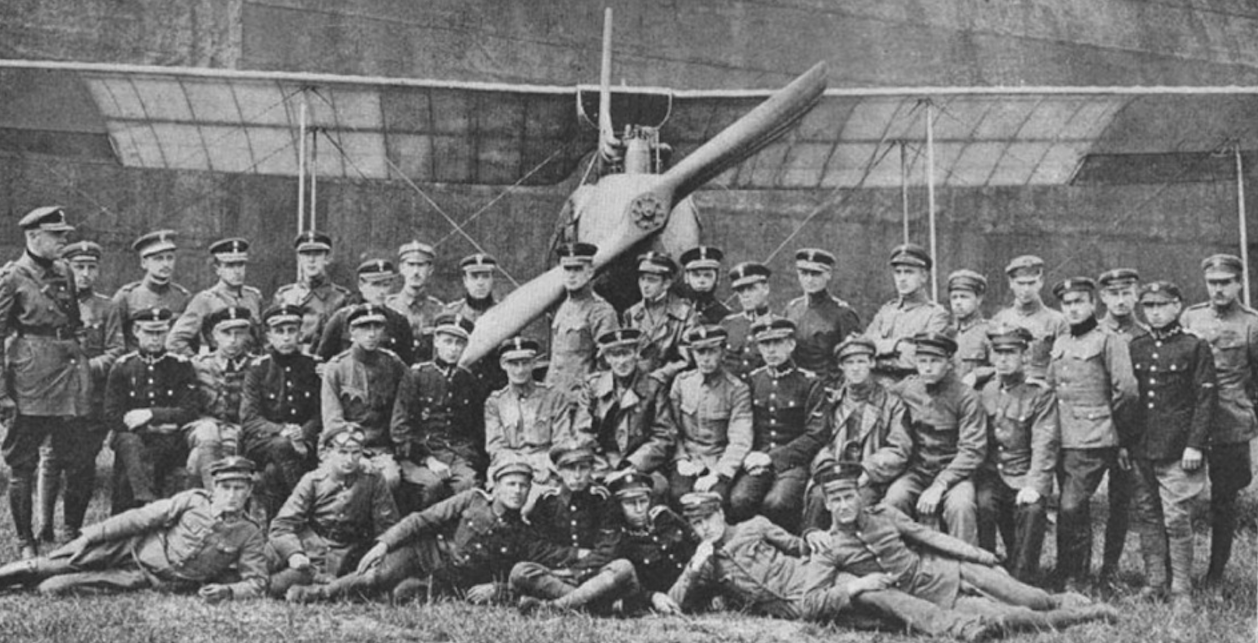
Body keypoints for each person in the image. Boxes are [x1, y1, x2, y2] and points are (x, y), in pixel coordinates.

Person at [806, 463, 1119, 639]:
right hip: (932, 597)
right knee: (1013, 617)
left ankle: (1056, 600)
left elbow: (930, 537)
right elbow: (810, 603)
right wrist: (855, 586)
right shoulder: (827, 547)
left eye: (849, 496)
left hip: (946, 569)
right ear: (827, 504)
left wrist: (981, 557)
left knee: (1030, 597)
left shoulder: (884, 514)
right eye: (836, 500)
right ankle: (1083, 614)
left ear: (859, 495)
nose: (844, 506)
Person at [286, 460, 587, 603]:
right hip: (424, 553)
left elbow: (544, 562)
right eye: (511, 484)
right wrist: (384, 544)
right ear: (496, 486)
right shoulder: (472, 499)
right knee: (374, 575)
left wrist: (498, 591)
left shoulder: (523, 532)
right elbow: (423, 519)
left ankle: (369, 593)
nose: (518, 491)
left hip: (450, 582)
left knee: (402, 595)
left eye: (523, 485)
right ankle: (318, 593)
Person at [0, 457, 265, 599]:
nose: (231, 495)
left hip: (147, 579)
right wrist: (91, 535)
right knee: (48, 565)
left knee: (53, 588)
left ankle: (24, 586)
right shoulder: (193, 500)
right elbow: (141, 518)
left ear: (249, 491)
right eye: (225, 487)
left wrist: (229, 591)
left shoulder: (249, 532)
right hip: (128, 549)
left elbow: (257, 581)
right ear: (214, 487)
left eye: (239, 488)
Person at [0, 206, 93, 557]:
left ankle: (71, 533)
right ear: (33, 237)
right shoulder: (12, 277)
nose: (63, 241)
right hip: (31, 380)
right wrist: (2, 393)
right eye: (56, 236)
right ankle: (27, 541)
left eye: (64, 235)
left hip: (69, 376)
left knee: (79, 459)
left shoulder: (66, 270)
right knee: (23, 464)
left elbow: (73, 323)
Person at [1128, 281, 1217, 607]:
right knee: (1148, 517)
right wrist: (1127, 443)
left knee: (1177, 518)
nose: (1154, 312)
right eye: (1149, 306)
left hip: (1179, 450)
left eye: (1161, 305)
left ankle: (1181, 589)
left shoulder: (1194, 347)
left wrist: (1196, 445)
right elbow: (1130, 399)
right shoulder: (1136, 346)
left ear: (1177, 306)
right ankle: (1155, 583)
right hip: (1142, 447)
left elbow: (1206, 400)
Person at [1046, 277, 1137, 591]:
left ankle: (1075, 578)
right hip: (1063, 438)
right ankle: (1068, 572)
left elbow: (1126, 391)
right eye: (1067, 303)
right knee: (1070, 509)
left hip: (1094, 439)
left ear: (1093, 304)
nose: (1072, 309)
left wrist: (1118, 435)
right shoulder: (1060, 342)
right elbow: (1050, 389)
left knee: (1071, 506)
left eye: (1079, 302)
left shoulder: (1108, 339)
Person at [37, 240, 124, 543]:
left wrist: (84, 370)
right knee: (50, 456)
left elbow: (116, 350)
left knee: (83, 462)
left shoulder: (107, 306)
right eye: (78, 267)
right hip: (54, 394)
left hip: (91, 398)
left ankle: (71, 527)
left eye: (91, 267)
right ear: (65, 268)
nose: (85, 274)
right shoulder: (49, 301)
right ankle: (43, 524)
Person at [1180, 253, 1258, 586]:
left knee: (1224, 500)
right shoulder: (1191, 317)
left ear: (1239, 283)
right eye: (1213, 283)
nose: (1219, 290)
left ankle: (1216, 573)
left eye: (1226, 283)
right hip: (1193, 423)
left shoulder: (1252, 323)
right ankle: (1179, 571)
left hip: (1229, 422)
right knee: (1181, 498)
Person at [266, 427, 399, 598]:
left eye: (355, 452)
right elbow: (281, 524)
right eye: (342, 452)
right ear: (329, 452)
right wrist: (294, 554)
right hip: (313, 551)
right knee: (275, 586)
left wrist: (379, 550)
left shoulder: (373, 479)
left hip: (353, 554)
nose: (349, 459)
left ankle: (329, 586)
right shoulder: (313, 480)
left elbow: (388, 524)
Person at [884, 333, 986, 543]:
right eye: (922, 361)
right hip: (917, 471)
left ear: (949, 363)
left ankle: (965, 566)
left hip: (955, 474)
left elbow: (972, 450)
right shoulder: (907, 388)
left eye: (935, 361)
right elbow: (881, 402)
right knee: (893, 500)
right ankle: (901, 564)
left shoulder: (966, 397)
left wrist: (940, 484)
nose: (928, 368)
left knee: (961, 507)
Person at [802, 336, 911, 532]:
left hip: (870, 480)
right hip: (833, 474)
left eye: (861, 361)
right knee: (818, 497)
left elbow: (899, 449)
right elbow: (817, 440)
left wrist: (867, 471)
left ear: (872, 363)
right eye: (849, 362)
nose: (855, 368)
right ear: (841, 366)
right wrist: (826, 467)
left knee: (859, 503)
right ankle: (811, 551)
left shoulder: (892, 404)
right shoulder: (831, 401)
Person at [975, 325, 1057, 583]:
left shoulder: (1039, 393)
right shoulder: (986, 390)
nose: (1003, 359)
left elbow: (1045, 442)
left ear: (1025, 356)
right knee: (982, 504)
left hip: (1023, 474)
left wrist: (1034, 484)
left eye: (1011, 353)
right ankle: (987, 574)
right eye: (998, 353)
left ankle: (1023, 578)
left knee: (1032, 510)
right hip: (991, 474)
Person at [728, 317, 828, 532]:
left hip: (794, 462)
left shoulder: (809, 382)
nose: (771, 350)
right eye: (765, 344)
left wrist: (772, 458)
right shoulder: (754, 380)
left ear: (791, 345)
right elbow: (746, 424)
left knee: (777, 503)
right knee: (740, 499)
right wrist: (753, 455)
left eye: (777, 343)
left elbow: (816, 434)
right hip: (757, 458)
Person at [512, 444, 636, 614]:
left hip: (594, 575)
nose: (577, 475)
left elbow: (609, 549)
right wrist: (574, 554)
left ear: (592, 469)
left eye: (583, 468)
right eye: (570, 468)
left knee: (623, 567)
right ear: (559, 471)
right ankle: (599, 606)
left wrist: (577, 571)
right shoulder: (548, 501)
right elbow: (536, 548)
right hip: (558, 575)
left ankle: (553, 607)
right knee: (520, 571)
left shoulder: (603, 499)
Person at [104, 307, 200, 513]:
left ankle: (134, 514)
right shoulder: (122, 366)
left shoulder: (181, 366)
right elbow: (112, 415)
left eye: (160, 333)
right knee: (130, 444)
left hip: (169, 440)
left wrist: (151, 414)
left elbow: (190, 410)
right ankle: (147, 503)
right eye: (149, 332)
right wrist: (152, 429)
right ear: (136, 332)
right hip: (133, 436)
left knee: (135, 458)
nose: (156, 339)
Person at [391, 313, 483, 512]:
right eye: (448, 341)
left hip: (456, 454)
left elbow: (474, 429)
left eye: (459, 343)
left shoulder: (467, 379)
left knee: (468, 484)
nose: (453, 348)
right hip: (417, 455)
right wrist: (427, 459)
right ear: (436, 341)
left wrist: (468, 458)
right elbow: (400, 428)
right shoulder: (416, 375)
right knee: (432, 485)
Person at [240, 304, 322, 521]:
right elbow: (250, 418)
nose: (286, 338)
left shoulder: (313, 367)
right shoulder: (258, 369)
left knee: (272, 473)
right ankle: (307, 514)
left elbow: (320, 413)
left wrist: (303, 434)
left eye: (291, 331)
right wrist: (284, 431)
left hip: (304, 442)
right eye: (279, 331)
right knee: (281, 446)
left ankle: (277, 527)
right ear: (269, 336)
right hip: (263, 443)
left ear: (301, 334)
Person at [1094, 267, 1147, 585]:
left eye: (1127, 292)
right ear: (1102, 297)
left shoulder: (1145, 334)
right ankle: (1077, 567)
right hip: (1098, 430)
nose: (1121, 300)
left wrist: (1126, 439)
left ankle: (1110, 568)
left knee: (1123, 500)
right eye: (1113, 293)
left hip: (1136, 433)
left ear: (1136, 295)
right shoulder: (1095, 334)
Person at [570, 328, 675, 487]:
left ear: (636, 353)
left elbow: (664, 436)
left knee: (655, 488)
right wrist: (602, 466)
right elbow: (582, 431)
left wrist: (630, 466)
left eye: (626, 353)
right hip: (600, 462)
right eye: (614, 355)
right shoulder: (594, 386)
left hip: (641, 464)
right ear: (606, 358)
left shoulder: (654, 387)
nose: (621, 361)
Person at [321, 304, 410, 491]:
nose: (371, 334)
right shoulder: (336, 368)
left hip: (380, 448)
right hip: (341, 446)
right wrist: (356, 456)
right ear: (352, 331)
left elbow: (401, 411)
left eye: (377, 327)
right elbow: (333, 420)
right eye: (364, 328)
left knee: (389, 478)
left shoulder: (393, 364)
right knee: (338, 481)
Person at [663, 325, 753, 505]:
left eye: (712, 351)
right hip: (688, 459)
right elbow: (671, 428)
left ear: (722, 352)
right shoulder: (682, 383)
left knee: (714, 500)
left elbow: (740, 439)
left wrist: (718, 474)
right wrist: (680, 459)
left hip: (719, 460)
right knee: (678, 496)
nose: (705, 358)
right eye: (700, 352)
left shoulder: (737, 389)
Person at [484, 337, 573, 490]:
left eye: (525, 362)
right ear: (503, 364)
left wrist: (548, 466)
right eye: (513, 363)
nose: (520, 370)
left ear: (534, 363)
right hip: (509, 466)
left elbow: (562, 441)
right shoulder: (495, 402)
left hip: (547, 466)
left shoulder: (554, 397)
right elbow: (496, 446)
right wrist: (521, 468)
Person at [608, 472, 699, 614]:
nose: (639, 509)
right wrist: (651, 597)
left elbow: (696, 542)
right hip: (666, 599)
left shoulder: (664, 520)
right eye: (630, 503)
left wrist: (676, 518)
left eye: (643, 501)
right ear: (619, 506)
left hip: (693, 587)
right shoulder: (618, 538)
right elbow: (624, 587)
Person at [185, 306, 254, 489]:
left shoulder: (256, 366)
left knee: (196, 460)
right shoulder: (198, 365)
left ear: (247, 336)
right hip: (201, 427)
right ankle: (217, 500)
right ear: (215, 335)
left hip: (239, 429)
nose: (233, 340)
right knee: (208, 430)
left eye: (239, 334)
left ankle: (206, 507)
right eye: (226, 333)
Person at [866, 243, 950, 385]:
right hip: (878, 387)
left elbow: (920, 359)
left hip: (912, 390)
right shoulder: (887, 310)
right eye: (898, 272)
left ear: (923, 276)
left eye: (909, 272)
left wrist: (880, 355)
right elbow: (866, 347)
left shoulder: (936, 314)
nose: (902, 278)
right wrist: (898, 346)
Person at [167, 238, 263, 356]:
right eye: (230, 266)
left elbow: (262, 339)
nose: (237, 271)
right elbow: (174, 341)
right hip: (220, 370)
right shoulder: (205, 300)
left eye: (241, 265)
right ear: (218, 269)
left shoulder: (253, 296)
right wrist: (200, 364)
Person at [545, 242, 619, 393]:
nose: (571, 275)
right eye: (567, 269)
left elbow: (608, 364)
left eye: (578, 269)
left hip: (580, 400)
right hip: (553, 397)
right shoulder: (564, 306)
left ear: (590, 271)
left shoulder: (601, 311)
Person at [317, 259, 416, 365]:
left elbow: (406, 365)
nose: (382, 291)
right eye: (375, 285)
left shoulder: (398, 321)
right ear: (361, 285)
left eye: (386, 285)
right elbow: (321, 360)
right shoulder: (341, 318)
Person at [783, 248, 861, 381]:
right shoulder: (792, 309)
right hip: (796, 388)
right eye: (804, 273)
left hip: (828, 389)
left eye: (816, 274)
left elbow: (853, 360)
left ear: (828, 274)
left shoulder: (842, 313)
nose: (809, 279)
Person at [110, 229, 191, 353]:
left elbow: (189, 341)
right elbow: (115, 342)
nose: (165, 264)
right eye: (158, 259)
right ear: (144, 263)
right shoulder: (127, 296)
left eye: (170, 258)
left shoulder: (183, 297)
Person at [272, 230, 352, 355]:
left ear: (327, 258)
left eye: (317, 254)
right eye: (306, 254)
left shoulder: (341, 297)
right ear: (299, 258)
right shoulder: (285, 295)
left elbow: (346, 343)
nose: (311, 260)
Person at [623, 251, 696, 383]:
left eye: (652, 280)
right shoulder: (632, 314)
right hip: (635, 384)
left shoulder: (684, 313)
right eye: (642, 279)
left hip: (670, 385)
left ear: (667, 283)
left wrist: (660, 376)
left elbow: (687, 358)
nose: (645, 285)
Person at [990, 255, 1067, 380]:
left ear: (1041, 281)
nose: (1026, 289)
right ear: (1011, 283)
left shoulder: (1057, 321)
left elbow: (1062, 365)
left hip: (1043, 389)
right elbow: (994, 362)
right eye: (1020, 283)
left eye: (1031, 283)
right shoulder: (1000, 319)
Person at [444, 253, 506, 394]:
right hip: (459, 390)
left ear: (492, 280)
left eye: (485, 276)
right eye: (474, 276)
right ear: (465, 280)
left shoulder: (504, 314)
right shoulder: (451, 313)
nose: (480, 282)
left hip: (494, 390)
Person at [385, 240, 445, 364]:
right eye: (411, 265)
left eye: (421, 265)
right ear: (402, 268)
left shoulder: (440, 311)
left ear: (430, 270)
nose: (415, 272)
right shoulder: (388, 306)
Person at [720, 261, 774, 380]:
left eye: (751, 289)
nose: (745, 295)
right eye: (740, 290)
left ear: (766, 288)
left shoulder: (777, 326)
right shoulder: (728, 324)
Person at [948, 269, 993, 386]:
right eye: (954, 297)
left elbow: (999, 368)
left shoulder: (988, 332)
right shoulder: (947, 333)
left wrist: (976, 375)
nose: (958, 302)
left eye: (964, 297)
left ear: (979, 299)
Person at [678, 246, 730, 326]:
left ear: (717, 279)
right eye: (696, 275)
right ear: (686, 278)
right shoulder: (674, 309)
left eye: (708, 275)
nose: (701, 281)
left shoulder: (724, 314)